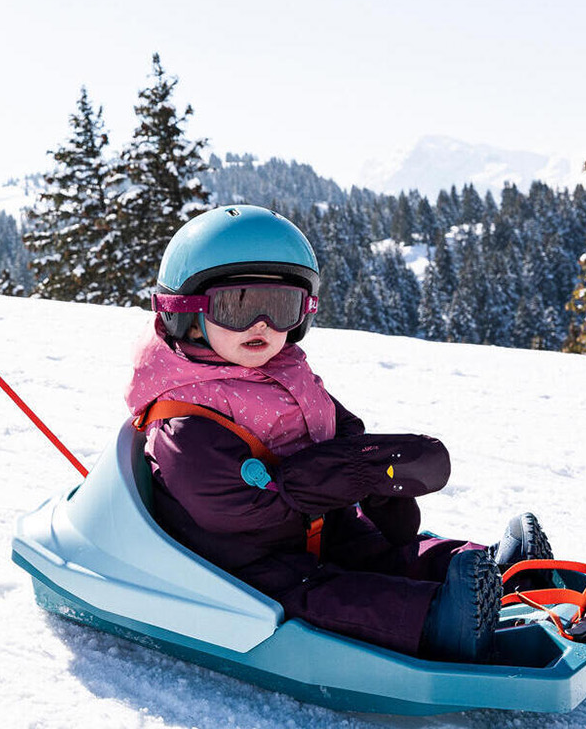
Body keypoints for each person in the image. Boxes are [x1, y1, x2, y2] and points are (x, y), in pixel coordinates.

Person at [131, 205, 553, 663]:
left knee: (382, 549)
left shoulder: (284, 374)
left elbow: (337, 427)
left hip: (321, 524)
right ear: (187, 314)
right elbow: (236, 508)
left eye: (280, 307)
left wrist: (376, 477)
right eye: (237, 306)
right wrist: (346, 476)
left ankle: (493, 570)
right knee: (324, 594)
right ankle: (438, 620)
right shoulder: (184, 416)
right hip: (245, 561)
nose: (262, 325)